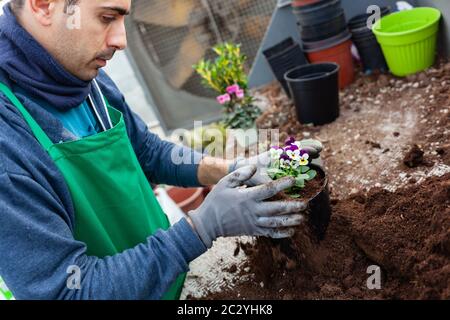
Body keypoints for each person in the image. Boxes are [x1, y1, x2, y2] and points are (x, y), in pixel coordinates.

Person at [0, 0, 322, 299]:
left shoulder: (77, 72)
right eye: (107, 18)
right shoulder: (8, 142)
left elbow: (147, 151)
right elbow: (69, 291)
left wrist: (236, 169)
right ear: (43, 5)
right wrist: (200, 228)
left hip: (169, 282)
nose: (120, 40)